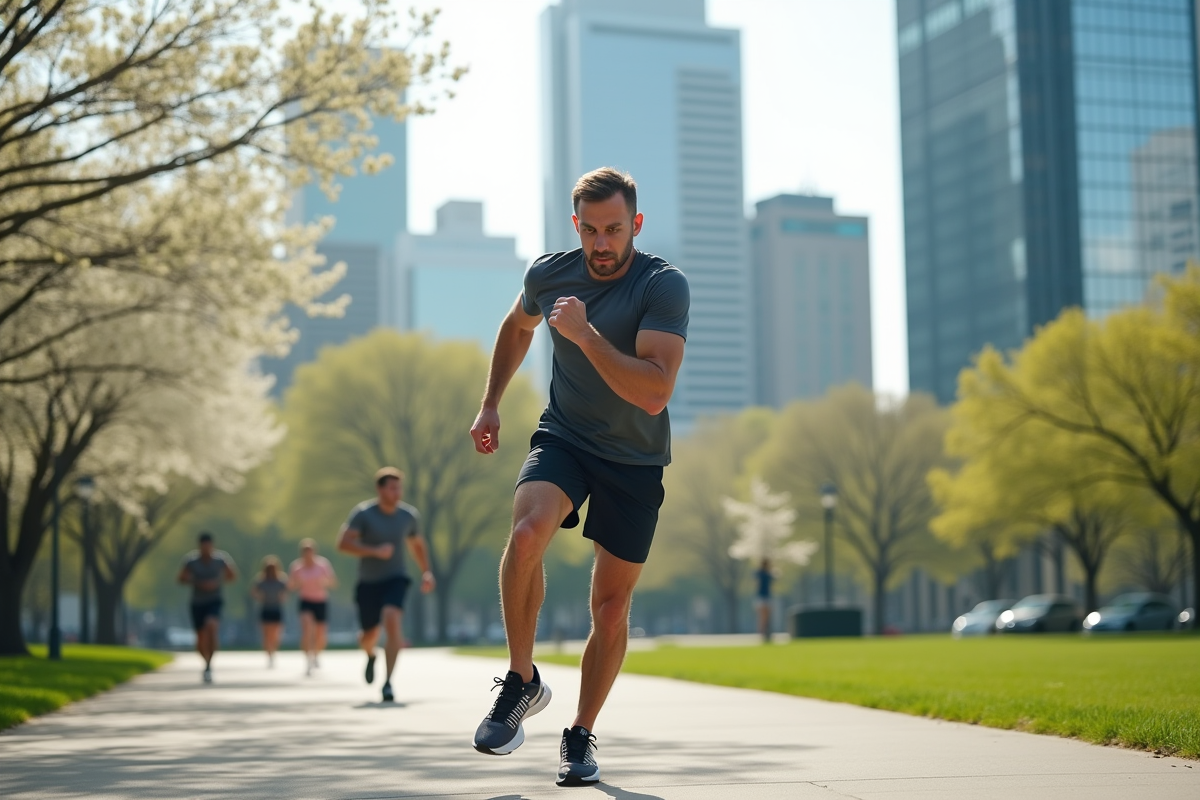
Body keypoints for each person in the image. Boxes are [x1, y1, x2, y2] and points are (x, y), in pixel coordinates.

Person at [469, 167, 689, 786]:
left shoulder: (662, 285)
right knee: (527, 532)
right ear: (575, 227)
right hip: (565, 436)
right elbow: (517, 326)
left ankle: (580, 733)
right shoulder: (549, 273)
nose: (600, 243)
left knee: (612, 606)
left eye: (613, 229)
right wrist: (490, 403)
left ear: (635, 226)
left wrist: (586, 335)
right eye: (590, 230)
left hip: (636, 458)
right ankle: (521, 679)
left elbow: (652, 392)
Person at [336, 467, 435, 703]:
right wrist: (374, 551)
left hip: (396, 577)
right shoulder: (363, 514)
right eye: (392, 487)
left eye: (399, 487)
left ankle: (388, 682)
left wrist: (426, 572)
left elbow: (417, 545)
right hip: (368, 581)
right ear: (380, 489)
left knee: (392, 619)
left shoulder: (408, 515)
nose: (397, 492)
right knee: (368, 634)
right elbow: (343, 543)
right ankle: (370, 655)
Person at [177, 532, 237, 683]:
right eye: (203, 547)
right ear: (199, 546)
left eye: (208, 546)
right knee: (200, 637)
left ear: (212, 546)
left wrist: (216, 582)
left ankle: (210, 664)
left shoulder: (221, 559)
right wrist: (198, 583)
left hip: (214, 600)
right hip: (197, 602)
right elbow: (181, 578)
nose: (206, 549)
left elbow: (232, 576)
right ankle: (205, 662)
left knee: (212, 626)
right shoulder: (191, 561)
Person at [289, 538, 337, 677]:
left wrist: (324, 582)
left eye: (310, 552)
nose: (308, 556)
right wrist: (297, 583)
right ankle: (307, 659)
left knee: (320, 634)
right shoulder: (296, 567)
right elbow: (291, 586)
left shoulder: (322, 565)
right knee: (307, 628)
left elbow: (333, 582)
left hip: (320, 601)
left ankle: (316, 654)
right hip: (306, 601)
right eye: (305, 553)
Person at [252, 556, 288, 668]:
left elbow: (286, 592)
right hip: (265, 609)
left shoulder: (281, 580)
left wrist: (282, 597)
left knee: (276, 634)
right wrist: (260, 597)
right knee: (266, 634)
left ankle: (273, 651)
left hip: (276, 609)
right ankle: (268, 653)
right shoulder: (260, 580)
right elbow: (253, 592)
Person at [755, 558, 775, 644]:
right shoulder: (762, 574)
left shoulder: (767, 574)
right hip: (762, 597)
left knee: (767, 616)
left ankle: (767, 632)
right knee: (762, 616)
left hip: (766, 596)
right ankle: (762, 633)